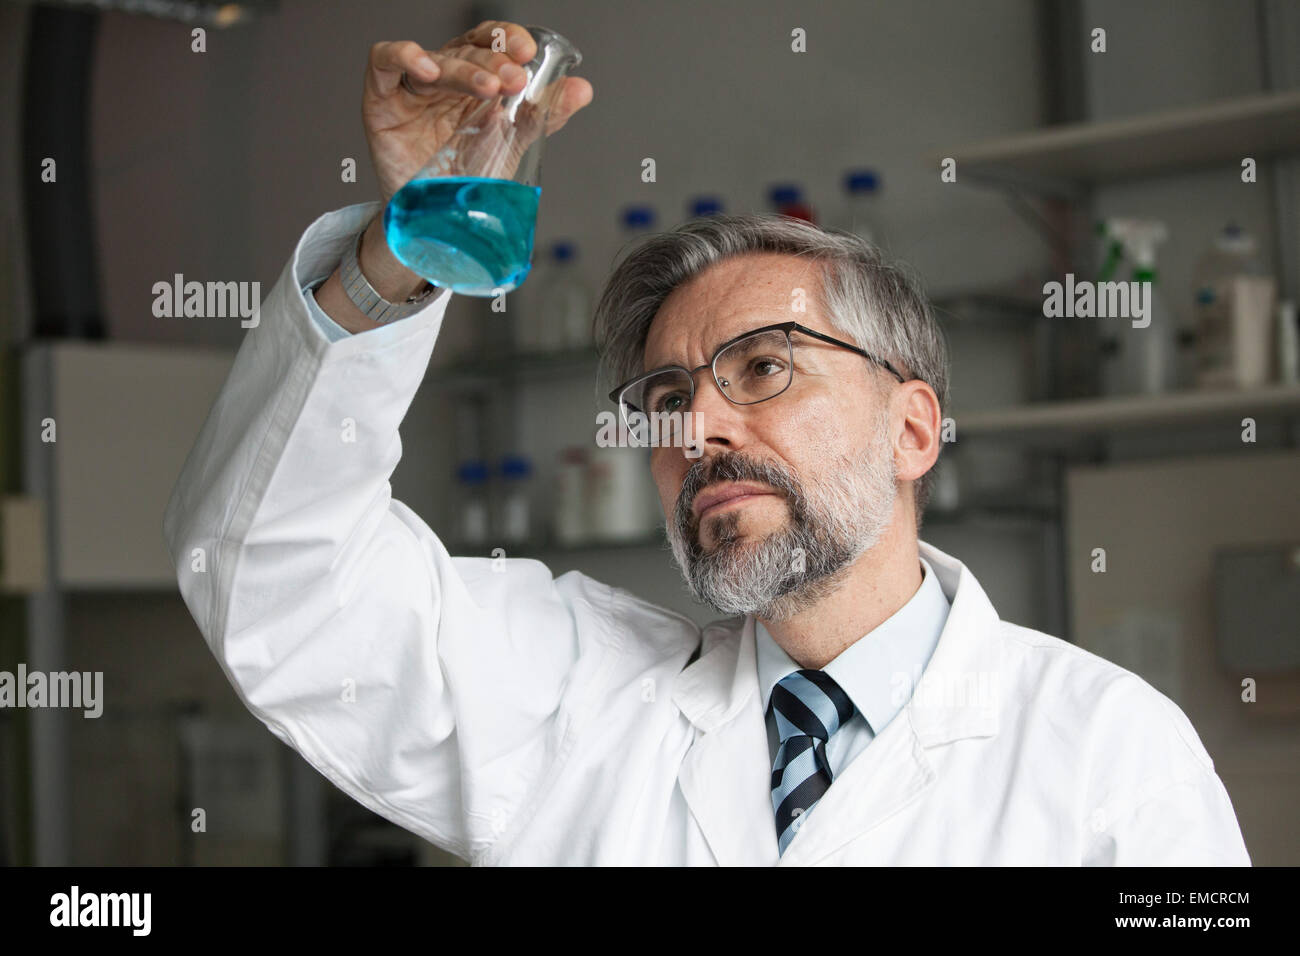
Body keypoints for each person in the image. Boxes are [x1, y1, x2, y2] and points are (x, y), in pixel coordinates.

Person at [163, 21, 1250, 866]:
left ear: (912, 427)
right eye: (667, 394)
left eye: (766, 367)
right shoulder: (574, 700)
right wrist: (399, 251)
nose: (701, 427)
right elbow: (270, 578)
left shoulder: (1113, 751)